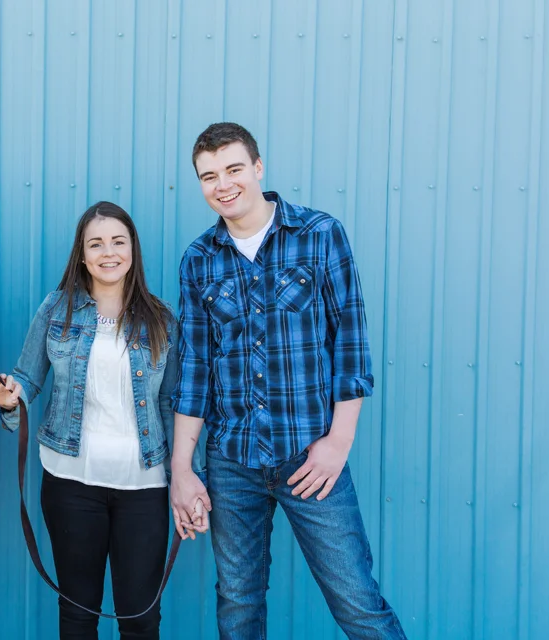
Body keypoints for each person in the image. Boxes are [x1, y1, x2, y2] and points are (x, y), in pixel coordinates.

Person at [167, 122, 408, 639]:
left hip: (310, 457)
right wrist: (182, 469)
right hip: (232, 464)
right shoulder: (198, 261)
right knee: (238, 607)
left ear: (258, 168)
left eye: (233, 169)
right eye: (209, 176)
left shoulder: (320, 235)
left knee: (358, 602)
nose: (223, 184)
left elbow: (351, 347)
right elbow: (194, 371)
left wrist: (337, 444)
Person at [0, 201, 206, 640]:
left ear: (132, 250)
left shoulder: (162, 320)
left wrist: (188, 479)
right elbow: (27, 379)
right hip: (70, 483)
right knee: (77, 615)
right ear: (83, 255)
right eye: (96, 244)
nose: (108, 252)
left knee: (141, 619)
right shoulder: (56, 310)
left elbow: (173, 405)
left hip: (143, 487)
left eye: (117, 242)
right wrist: (10, 401)